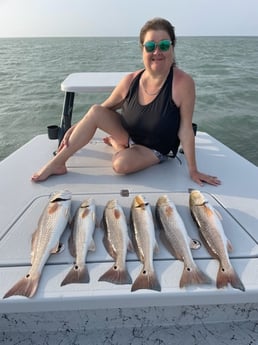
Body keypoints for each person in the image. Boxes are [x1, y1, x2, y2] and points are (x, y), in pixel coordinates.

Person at [31, 17, 221, 186]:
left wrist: (193, 169)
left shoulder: (182, 83)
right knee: (95, 110)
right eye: (150, 46)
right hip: (129, 135)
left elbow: (185, 129)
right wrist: (74, 127)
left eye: (163, 45)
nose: (157, 52)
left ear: (172, 48)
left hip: (154, 148)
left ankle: (118, 145)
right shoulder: (130, 80)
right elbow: (100, 112)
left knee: (120, 165)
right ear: (142, 50)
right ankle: (57, 164)